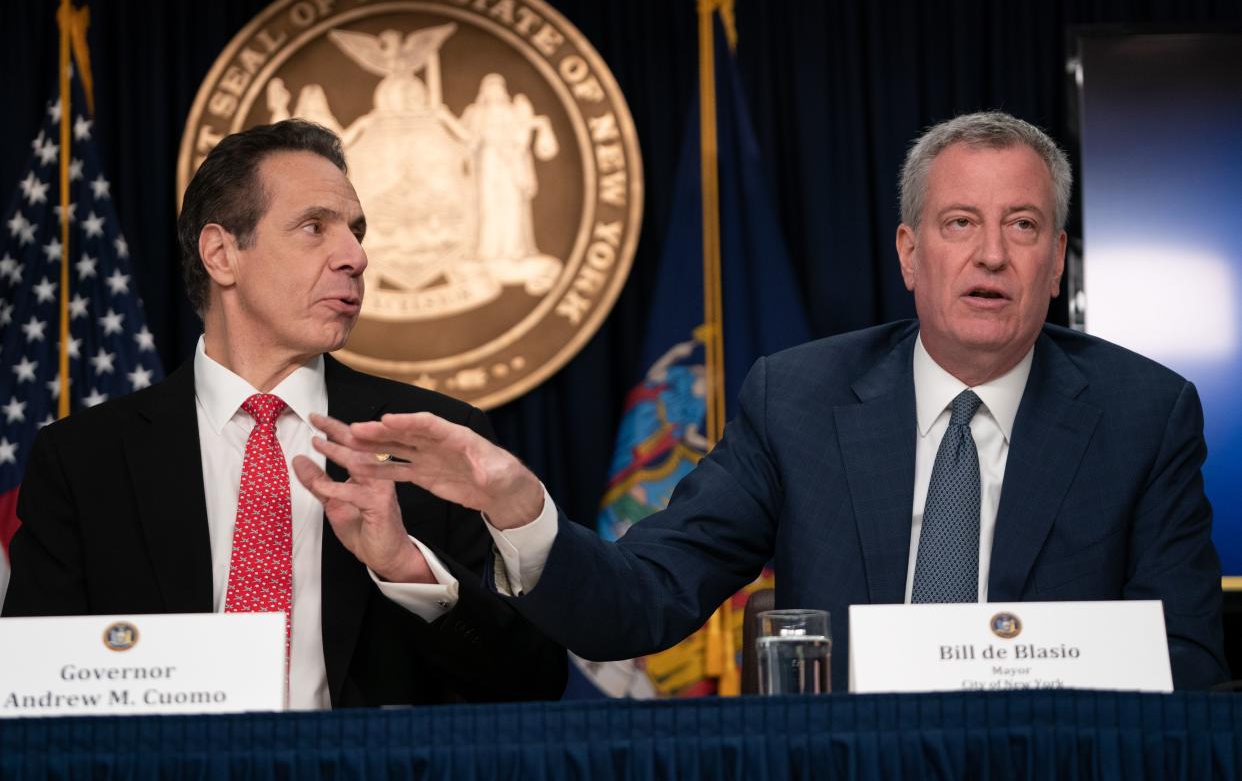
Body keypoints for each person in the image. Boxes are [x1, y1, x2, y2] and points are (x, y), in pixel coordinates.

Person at [303, 111, 1229, 691]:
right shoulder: (799, 399)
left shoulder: (1142, 413)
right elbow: (644, 604)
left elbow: (1187, 664)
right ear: (911, 254)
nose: (991, 254)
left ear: (1057, 260)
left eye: (1022, 227)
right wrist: (519, 507)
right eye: (960, 225)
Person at [2, 119, 567, 708]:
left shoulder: (433, 441)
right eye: (314, 228)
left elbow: (530, 681)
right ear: (222, 254)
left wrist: (408, 569)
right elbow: (37, 694)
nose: (355, 256)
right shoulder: (84, 458)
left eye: (356, 231)